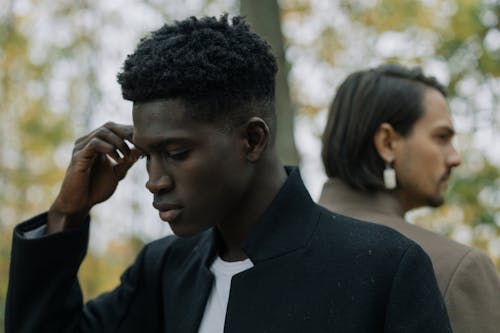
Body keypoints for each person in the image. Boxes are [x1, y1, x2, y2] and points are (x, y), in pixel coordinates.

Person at [6, 16, 451, 332]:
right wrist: (67, 215)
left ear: (252, 140)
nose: (154, 180)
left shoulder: (384, 267)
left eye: (176, 152)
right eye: (146, 155)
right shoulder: (165, 270)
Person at [319, 64, 500, 333]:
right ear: (388, 143)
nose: (455, 158)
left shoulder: (260, 250)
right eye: (441, 137)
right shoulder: (455, 268)